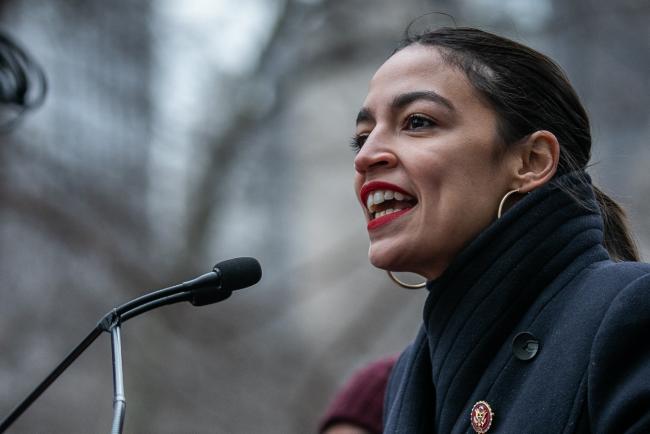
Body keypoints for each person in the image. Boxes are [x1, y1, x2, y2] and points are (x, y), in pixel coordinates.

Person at [349, 27, 649, 433]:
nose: (367, 156)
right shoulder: (410, 373)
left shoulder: (630, 311)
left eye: (417, 122)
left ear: (531, 160)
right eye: (362, 138)